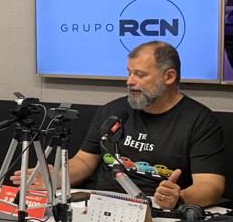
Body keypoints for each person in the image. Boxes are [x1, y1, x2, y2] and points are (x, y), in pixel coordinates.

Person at [15, 41, 225, 207]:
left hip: (156, 210)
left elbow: (211, 186)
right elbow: (85, 162)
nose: (129, 81)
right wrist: (58, 177)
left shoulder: (199, 120)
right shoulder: (113, 110)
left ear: (169, 76)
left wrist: (178, 197)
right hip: (98, 205)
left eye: (140, 75)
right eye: (129, 72)